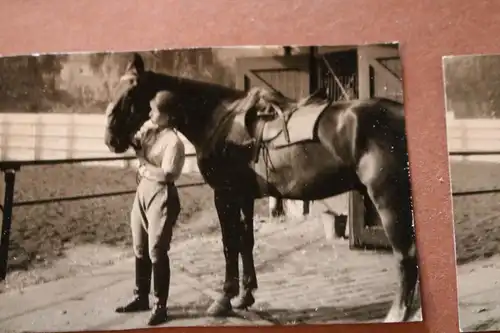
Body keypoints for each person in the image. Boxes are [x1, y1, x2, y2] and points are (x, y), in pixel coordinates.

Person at [115, 90, 185, 326]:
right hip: (143, 191)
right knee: (140, 245)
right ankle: (141, 296)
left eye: (155, 110)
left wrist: (143, 164)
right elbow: (134, 142)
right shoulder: (150, 129)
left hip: (161, 193)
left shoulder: (173, 142)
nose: (150, 113)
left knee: (156, 248)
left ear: (167, 116)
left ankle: (160, 305)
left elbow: (166, 174)